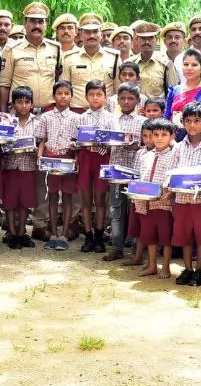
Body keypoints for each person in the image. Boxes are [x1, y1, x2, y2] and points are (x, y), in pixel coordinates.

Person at [0, 3, 63, 239]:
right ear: (24, 23)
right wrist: (5, 114)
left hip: (45, 113)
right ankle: (11, 225)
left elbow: (58, 80)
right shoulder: (12, 49)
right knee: (15, 171)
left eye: (41, 21)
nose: (37, 25)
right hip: (18, 113)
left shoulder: (55, 49)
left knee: (40, 171)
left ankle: (39, 223)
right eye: (32, 20)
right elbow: (4, 84)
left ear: (46, 24)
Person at [170, 103, 201, 286]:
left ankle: (199, 270)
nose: (192, 125)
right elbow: (172, 172)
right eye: (188, 121)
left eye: (197, 121)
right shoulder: (178, 148)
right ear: (182, 123)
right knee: (184, 236)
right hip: (182, 199)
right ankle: (188, 269)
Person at [35, 80, 81, 249]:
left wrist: (76, 158)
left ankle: (64, 234)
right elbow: (42, 140)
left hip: (68, 160)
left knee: (67, 197)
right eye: (59, 93)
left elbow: (78, 142)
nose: (63, 96)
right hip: (50, 160)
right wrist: (40, 157)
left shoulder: (77, 118)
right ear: (54, 96)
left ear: (71, 96)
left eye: (66, 93)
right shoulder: (46, 117)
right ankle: (53, 233)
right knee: (52, 196)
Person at [104, 83, 145, 262]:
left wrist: (138, 146)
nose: (126, 102)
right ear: (117, 100)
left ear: (137, 100)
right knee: (116, 209)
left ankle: (137, 249)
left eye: (130, 98)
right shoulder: (111, 120)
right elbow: (104, 142)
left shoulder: (143, 122)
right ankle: (117, 246)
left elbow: (149, 145)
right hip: (116, 171)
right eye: (122, 98)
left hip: (136, 172)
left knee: (136, 210)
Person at [132, 117, 178, 278]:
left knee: (165, 238)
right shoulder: (146, 156)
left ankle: (165, 267)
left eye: (163, 134)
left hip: (164, 204)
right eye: (155, 134)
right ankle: (152, 265)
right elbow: (139, 176)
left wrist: (170, 193)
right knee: (149, 236)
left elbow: (174, 180)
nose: (159, 138)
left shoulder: (173, 155)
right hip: (145, 204)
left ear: (171, 137)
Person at [76, 81, 115, 252]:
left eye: (99, 95)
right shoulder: (81, 117)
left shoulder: (110, 118)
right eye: (91, 95)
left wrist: (104, 142)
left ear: (105, 97)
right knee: (85, 200)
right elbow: (75, 140)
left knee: (100, 200)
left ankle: (99, 236)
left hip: (102, 159)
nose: (95, 98)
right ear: (86, 97)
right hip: (85, 158)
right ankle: (88, 236)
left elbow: (115, 141)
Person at [0, 86, 40, 248]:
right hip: (10, 166)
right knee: (10, 202)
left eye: (27, 102)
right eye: (19, 102)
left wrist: (36, 149)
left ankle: (22, 232)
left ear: (32, 104)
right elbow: (1, 143)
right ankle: (12, 233)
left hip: (28, 167)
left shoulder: (37, 122)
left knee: (25, 202)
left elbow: (40, 142)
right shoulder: (7, 121)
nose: (23, 106)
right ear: (13, 104)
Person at [65, 14, 118, 111]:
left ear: (101, 34)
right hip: (77, 112)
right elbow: (65, 89)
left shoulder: (114, 58)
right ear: (80, 35)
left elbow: (118, 89)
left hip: (106, 113)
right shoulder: (69, 58)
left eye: (95, 31)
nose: (91, 36)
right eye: (87, 32)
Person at [126, 22, 177, 100]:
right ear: (137, 40)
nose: (147, 42)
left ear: (156, 40)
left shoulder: (166, 65)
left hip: (158, 110)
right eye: (143, 38)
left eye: (150, 38)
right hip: (134, 110)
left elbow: (173, 94)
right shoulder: (129, 64)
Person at [166, 49, 201, 123]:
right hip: (174, 133)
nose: (189, 68)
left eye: (194, 65)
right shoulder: (174, 90)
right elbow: (166, 117)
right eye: (186, 64)